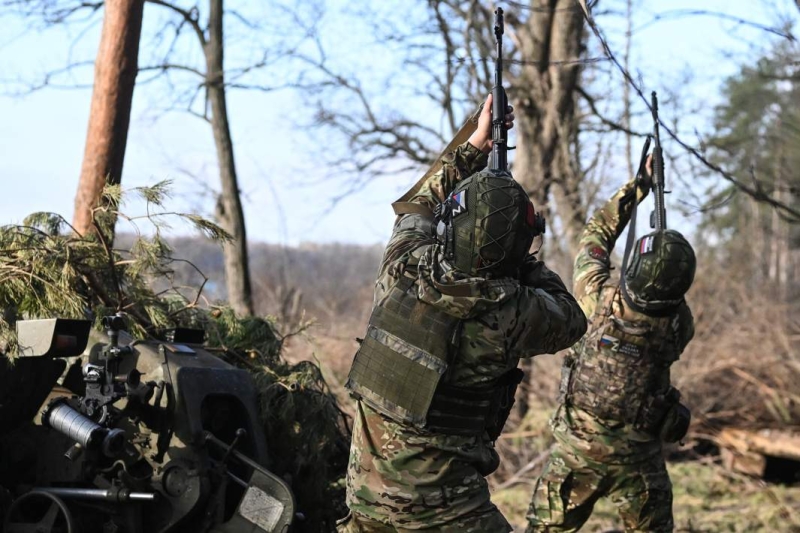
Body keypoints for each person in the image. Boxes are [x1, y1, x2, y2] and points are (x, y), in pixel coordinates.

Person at [337, 94, 588, 533]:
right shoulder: (513, 312)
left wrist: (474, 142)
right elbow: (571, 318)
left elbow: (417, 206)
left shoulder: (403, 267)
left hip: (367, 505)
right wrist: (522, 262)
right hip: (447, 514)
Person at [525, 159, 697, 533]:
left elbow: (597, 233)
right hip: (638, 457)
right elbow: (672, 306)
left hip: (576, 454)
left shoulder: (593, 296)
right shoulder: (677, 327)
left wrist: (639, 186)